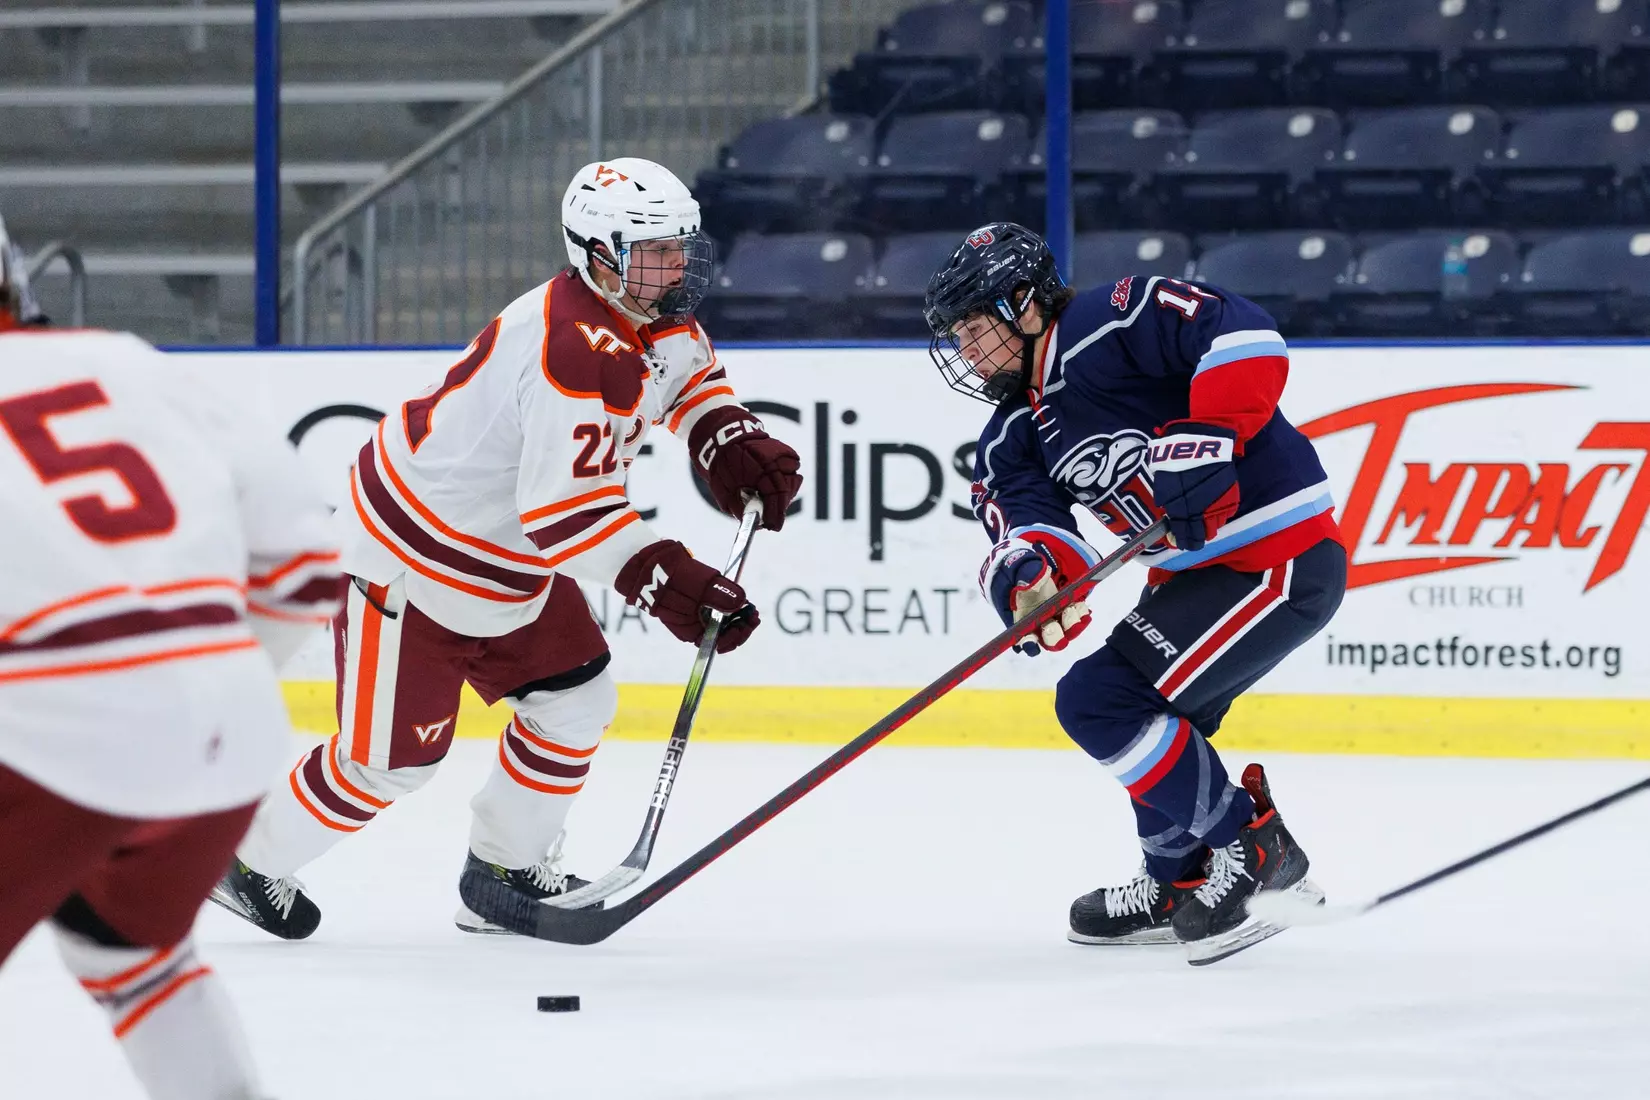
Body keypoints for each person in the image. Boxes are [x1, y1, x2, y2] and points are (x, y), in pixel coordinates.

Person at [213, 157, 803, 940]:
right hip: (414, 563)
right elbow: (564, 511)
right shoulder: (572, 348)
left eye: (678, 247)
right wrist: (670, 583)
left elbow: (688, 378)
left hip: (503, 561)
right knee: (388, 763)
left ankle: (503, 867)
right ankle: (244, 859)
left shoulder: (647, 312)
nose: (674, 266)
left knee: (576, 700)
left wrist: (725, 436)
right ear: (596, 253)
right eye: (652, 250)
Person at [924, 222, 1346, 962]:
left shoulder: (1109, 320)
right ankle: (1175, 877)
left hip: (1278, 555)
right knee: (1136, 706)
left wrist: (1207, 432)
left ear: (1023, 303)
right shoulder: (1011, 435)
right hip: (1194, 576)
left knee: (1102, 701)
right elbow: (1027, 527)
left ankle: (1255, 850)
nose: (964, 350)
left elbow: (1245, 335)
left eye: (972, 327)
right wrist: (1033, 583)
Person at [0, 213, 343, 1097]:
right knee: (136, 961)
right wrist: (185, 695)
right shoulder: (126, 361)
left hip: (44, 733)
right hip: (227, 740)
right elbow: (308, 574)